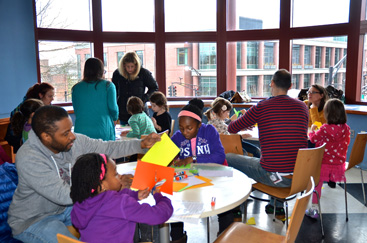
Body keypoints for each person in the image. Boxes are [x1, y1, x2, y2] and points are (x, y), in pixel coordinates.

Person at [7, 105, 161, 243]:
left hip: (69, 208)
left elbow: (106, 148)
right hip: (35, 220)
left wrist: (140, 144)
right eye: (66, 133)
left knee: (112, 221)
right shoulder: (29, 157)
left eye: (71, 130)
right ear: (46, 136)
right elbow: (63, 194)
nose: (72, 136)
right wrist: (111, 185)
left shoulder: (73, 142)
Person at [225, 69, 309, 221]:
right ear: (290, 86)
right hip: (300, 175)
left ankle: (234, 208)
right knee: (276, 156)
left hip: (273, 176)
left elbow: (232, 129)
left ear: (271, 83)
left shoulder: (262, 106)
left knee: (229, 158)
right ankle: (277, 207)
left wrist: (245, 118)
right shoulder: (303, 107)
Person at [70, 153, 173, 242]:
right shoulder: (121, 204)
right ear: (102, 186)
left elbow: (108, 199)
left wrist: (135, 195)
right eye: (115, 174)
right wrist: (159, 197)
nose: (120, 176)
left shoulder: (81, 203)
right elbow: (158, 215)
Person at [169, 98, 231, 243]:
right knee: (175, 203)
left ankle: (224, 236)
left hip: (217, 175)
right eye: (181, 127)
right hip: (191, 179)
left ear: (199, 125)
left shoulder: (209, 131)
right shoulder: (178, 137)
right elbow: (163, 157)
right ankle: (178, 238)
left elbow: (220, 156)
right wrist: (168, 158)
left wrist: (193, 159)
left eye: (189, 128)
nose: (185, 132)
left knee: (225, 206)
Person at [305, 99, 350, 219]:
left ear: (327, 114)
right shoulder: (346, 129)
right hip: (339, 164)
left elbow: (313, 139)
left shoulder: (325, 128)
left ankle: (314, 209)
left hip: (323, 164)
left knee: (317, 184)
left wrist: (313, 130)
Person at [72, 57, 119, 141]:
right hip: (102, 128)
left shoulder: (76, 88)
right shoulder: (108, 86)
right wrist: (115, 119)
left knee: (83, 154)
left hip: (81, 130)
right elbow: (113, 109)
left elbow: (77, 109)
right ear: (101, 71)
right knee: (104, 153)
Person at [5, 82, 55, 153]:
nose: (52, 99)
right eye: (50, 96)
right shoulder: (29, 107)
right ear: (40, 95)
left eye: (53, 96)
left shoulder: (45, 107)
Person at [112, 52, 158, 125]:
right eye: (128, 66)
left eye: (132, 66)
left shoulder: (144, 73)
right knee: (125, 135)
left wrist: (144, 99)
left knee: (141, 134)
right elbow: (114, 92)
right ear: (123, 65)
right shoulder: (117, 74)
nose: (130, 69)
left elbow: (154, 88)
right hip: (123, 112)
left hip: (140, 112)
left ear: (136, 65)